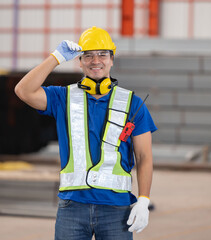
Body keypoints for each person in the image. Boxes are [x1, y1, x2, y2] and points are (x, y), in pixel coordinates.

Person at [15, 26, 157, 240]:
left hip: (116, 208)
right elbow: (23, 90)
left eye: (102, 54)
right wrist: (56, 57)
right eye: (88, 55)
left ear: (112, 59)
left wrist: (144, 198)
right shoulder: (62, 97)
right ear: (79, 61)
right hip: (73, 206)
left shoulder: (133, 104)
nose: (95, 60)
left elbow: (144, 157)